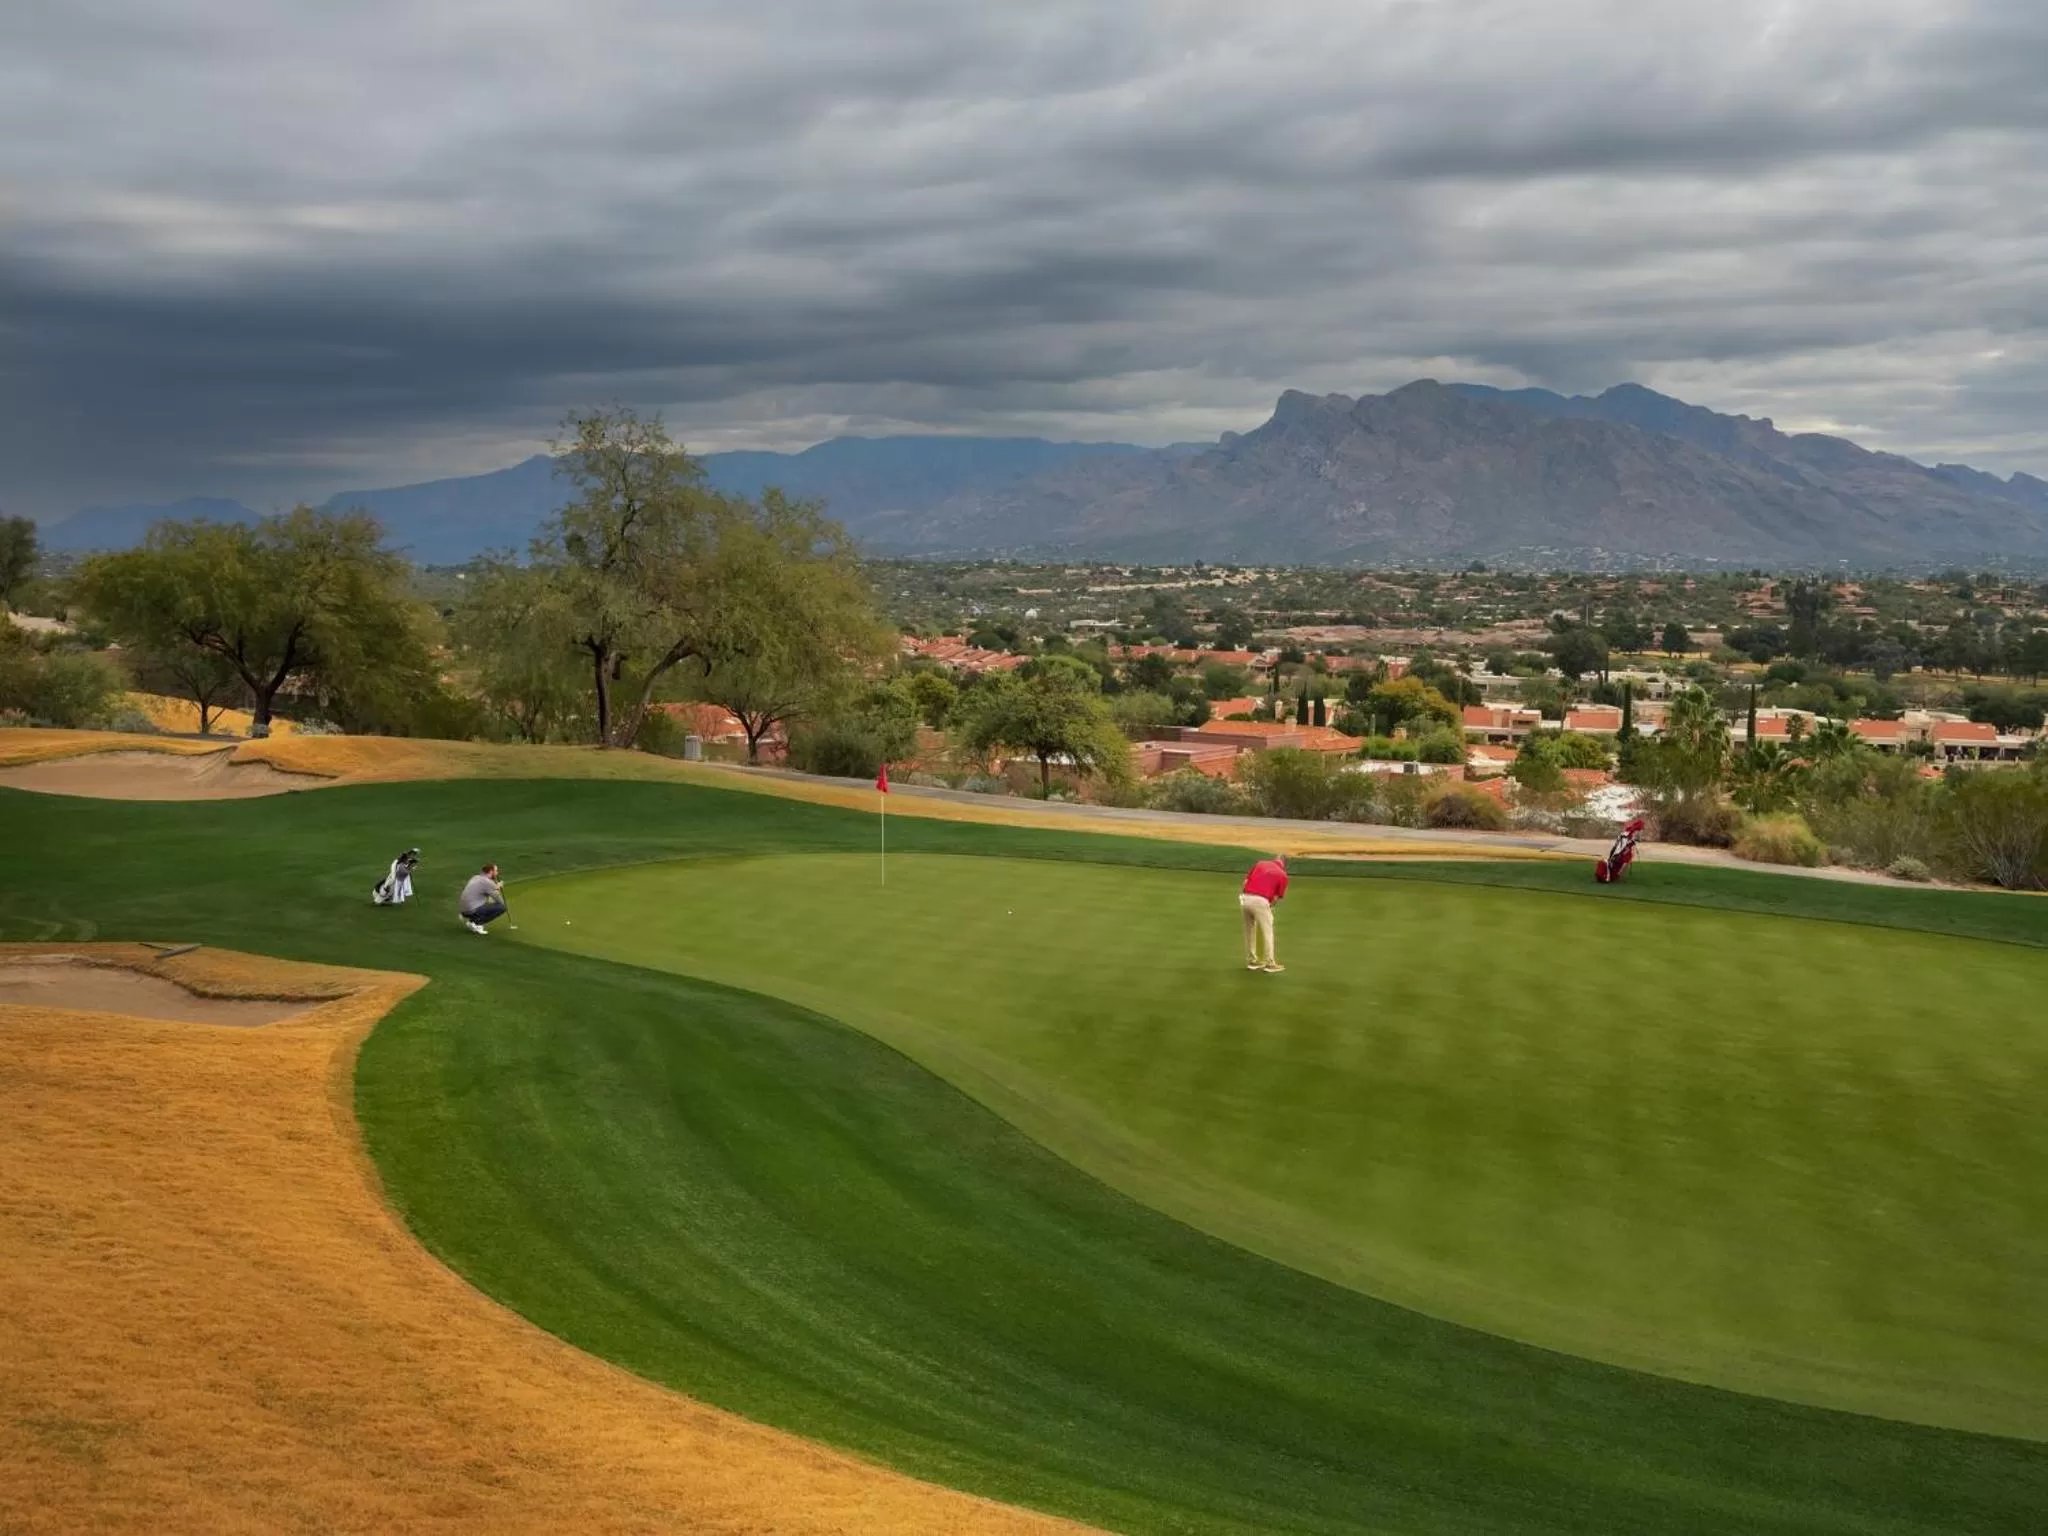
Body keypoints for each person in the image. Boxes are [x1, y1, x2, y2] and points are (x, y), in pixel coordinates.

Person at [1240, 853, 1288, 973]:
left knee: (1249, 930)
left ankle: (1252, 961)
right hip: (1261, 900)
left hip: (1245, 898)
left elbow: (1245, 882)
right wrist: (1269, 907)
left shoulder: (1260, 863)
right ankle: (1270, 963)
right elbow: (1276, 898)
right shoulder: (1283, 875)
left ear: (1275, 859)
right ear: (1284, 864)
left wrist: (1244, 897)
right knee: (1268, 931)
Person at [459, 863, 507, 935]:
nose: (497, 873)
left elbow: (485, 889)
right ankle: (477, 923)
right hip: (471, 910)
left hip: (463, 910)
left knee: (488, 903)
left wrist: (495, 887)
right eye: (496, 871)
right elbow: (499, 900)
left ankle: (473, 920)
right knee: (501, 907)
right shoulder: (488, 882)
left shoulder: (475, 877)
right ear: (491, 872)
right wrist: (497, 889)